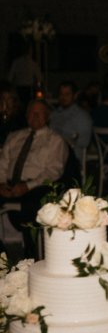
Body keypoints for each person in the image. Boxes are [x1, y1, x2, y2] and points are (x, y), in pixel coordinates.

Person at [0, 100, 68, 258]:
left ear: (47, 116)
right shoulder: (15, 136)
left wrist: (27, 186)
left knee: (33, 205)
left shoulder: (55, 140)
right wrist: (1, 183)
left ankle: (32, 253)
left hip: (36, 185)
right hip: (8, 184)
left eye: (39, 113)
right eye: (31, 113)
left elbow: (53, 171)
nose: (34, 116)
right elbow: (3, 163)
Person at [49, 81, 93, 163]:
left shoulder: (82, 116)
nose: (63, 97)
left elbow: (84, 142)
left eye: (67, 94)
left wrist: (67, 138)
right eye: (61, 94)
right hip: (51, 155)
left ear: (75, 96)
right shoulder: (54, 114)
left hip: (70, 159)